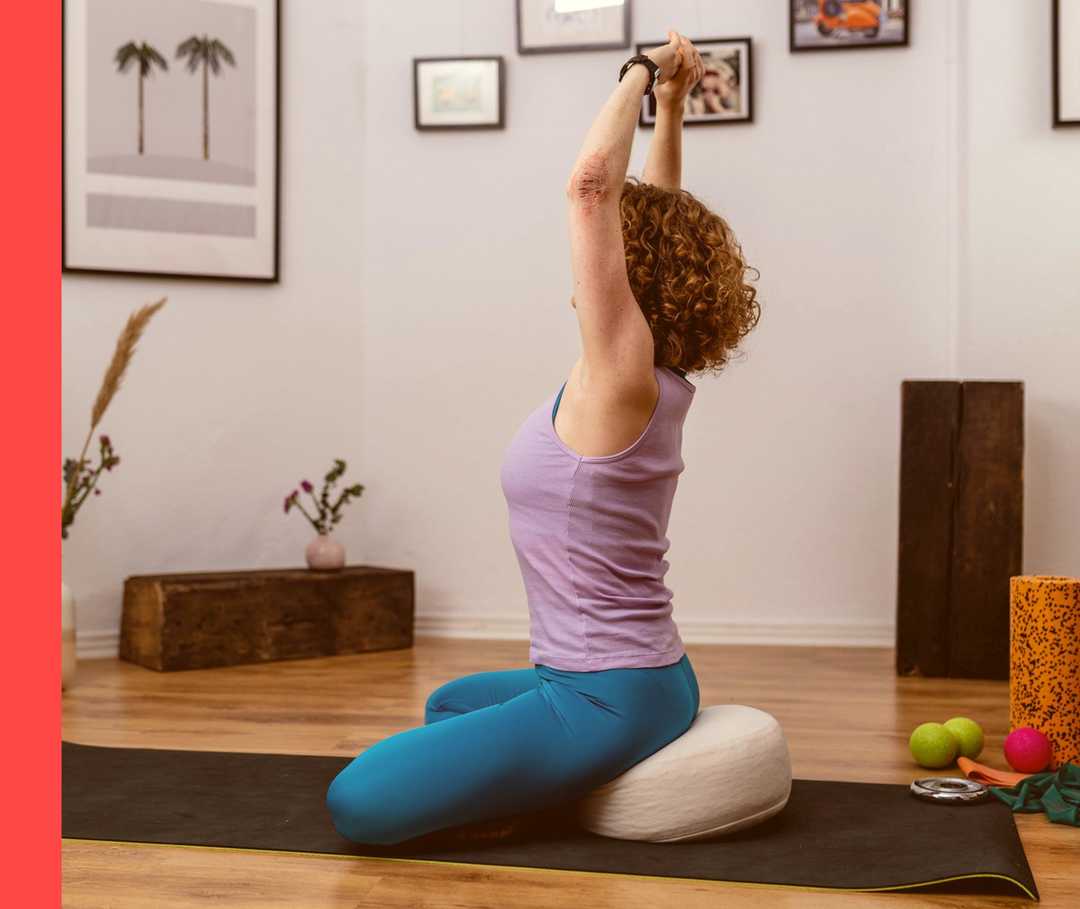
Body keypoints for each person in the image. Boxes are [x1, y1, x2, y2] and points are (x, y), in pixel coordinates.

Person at [326, 30, 761, 847]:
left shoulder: (620, 373)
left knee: (356, 802)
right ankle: (557, 783)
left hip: (605, 694)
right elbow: (653, 214)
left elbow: (593, 188)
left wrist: (638, 68)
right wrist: (671, 108)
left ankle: (561, 784)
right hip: (647, 678)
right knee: (449, 705)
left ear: (636, 276)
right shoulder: (649, 374)